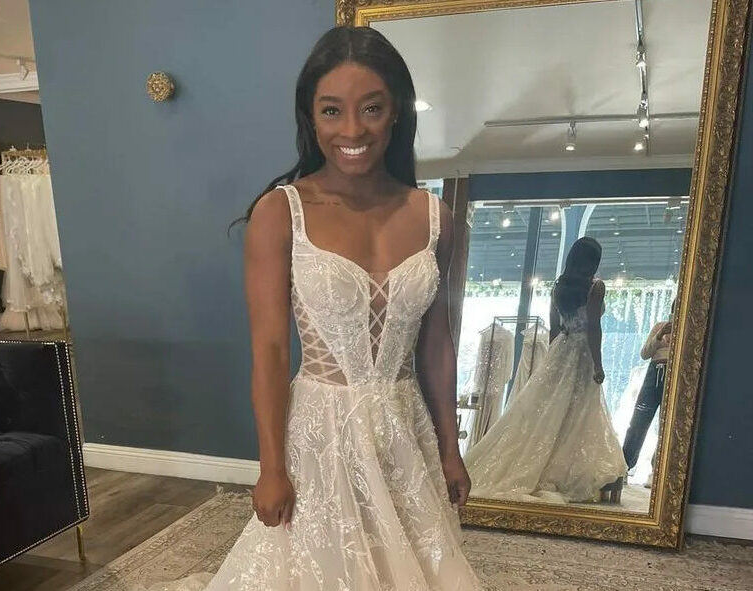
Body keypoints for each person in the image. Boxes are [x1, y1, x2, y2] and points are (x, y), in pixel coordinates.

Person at [146, 26, 480, 590]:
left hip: (404, 430)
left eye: (371, 108)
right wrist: (271, 467)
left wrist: (451, 448)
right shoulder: (281, 213)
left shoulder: (434, 217)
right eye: (331, 111)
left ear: (396, 112)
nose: (352, 130)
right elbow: (271, 351)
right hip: (320, 432)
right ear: (311, 116)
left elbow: (437, 343)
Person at [462, 237, 628, 504]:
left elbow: (554, 328)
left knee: (550, 409)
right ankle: (563, 470)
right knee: (578, 410)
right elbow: (594, 328)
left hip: (562, 347)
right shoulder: (596, 287)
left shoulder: (559, 287)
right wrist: (598, 364)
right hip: (583, 351)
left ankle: (547, 465)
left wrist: (552, 361)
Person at [622, 299, 675, 481]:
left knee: (668, 424)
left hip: (675, 374)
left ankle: (657, 471)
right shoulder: (660, 326)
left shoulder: (691, 329)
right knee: (639, 421)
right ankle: (625, 466)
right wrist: (660, 335)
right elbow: (644, 353)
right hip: (655, 372)